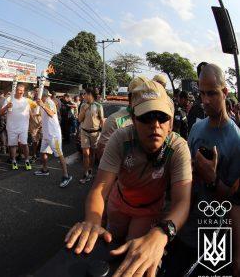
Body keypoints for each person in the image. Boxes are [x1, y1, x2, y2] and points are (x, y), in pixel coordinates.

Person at [65, 77, 193, 277]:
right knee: (108, 247)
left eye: (162, 117)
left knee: (135, 261)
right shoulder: (121, 138)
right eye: (147, 116)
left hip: (148, 210)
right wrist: (92, 220)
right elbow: (100, 188)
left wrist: (161, 233)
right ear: (133, 119)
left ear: (171, 122)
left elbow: (182, 201)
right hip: (119, 203)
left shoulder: (178, 147)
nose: (155, 125)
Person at [163, 63, 240, 276]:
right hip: (183, 225)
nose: (205, 100)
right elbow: (183, 174)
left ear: (224, 92)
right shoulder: (197, 127)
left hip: (213, 234)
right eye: (202, 93)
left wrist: (212, 179)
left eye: (212, 94)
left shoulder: (236, 141)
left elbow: (234, 204)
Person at [96, 77, 145, 159]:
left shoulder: (154, 119)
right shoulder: (114, 120)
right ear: (131, 97)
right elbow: (102, 153)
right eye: (140, 95)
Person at [34, 89, 73, 188]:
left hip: (54, 135)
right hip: (47, 134)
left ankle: (66, 176)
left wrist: (42, 105)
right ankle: (45, 170)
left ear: (43, 95)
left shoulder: (49, 102)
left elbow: (51, 114)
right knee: (43, 152)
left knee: (59, 155)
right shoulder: (42, 103)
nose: (35, 94)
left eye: (36, 93)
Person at [0, 83, 36, 170]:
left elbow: (30, 112)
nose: (21, 92)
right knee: (13, 145)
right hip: (11, 127)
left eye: (22, 91)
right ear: (15, 90)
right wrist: (7, 107)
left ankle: (27, 160)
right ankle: (14, 161)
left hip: (23, 126)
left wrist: (33, 122)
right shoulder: (9, 99)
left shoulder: (26, 100)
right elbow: (1, 112)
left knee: (24, 144)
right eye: (19, 90)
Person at [78, 88, 104, 184]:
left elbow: (101, 120)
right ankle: (85, 173)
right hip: (84, 132)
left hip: (95, 133)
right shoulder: (83, 105)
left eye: (85, 94)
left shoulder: (98, 106)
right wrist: (84, 110)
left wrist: (103, 132)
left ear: (90, 95)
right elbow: (80, 119)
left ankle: (90, 170)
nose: (83, 96)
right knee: (85, 154)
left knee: (92, 154)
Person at [29, 88, 42, 162]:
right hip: (33, 124)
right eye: (36, 91)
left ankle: (40, 153)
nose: (37, 93)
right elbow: (29, 112)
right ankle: (34, 155)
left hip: (42, 124)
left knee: (42, 140)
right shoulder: (31, 102)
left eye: (38, 91)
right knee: (34, 141)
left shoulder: (43, 102)